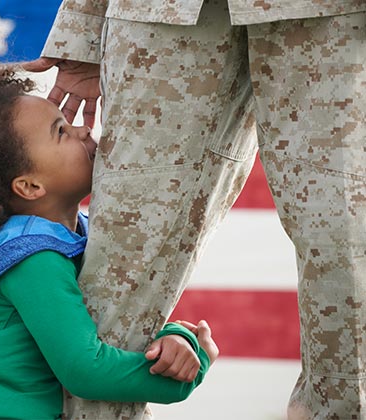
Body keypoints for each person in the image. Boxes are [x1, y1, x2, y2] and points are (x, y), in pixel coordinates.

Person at [23, 0, 366, 418]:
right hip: (162, 14)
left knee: (347, 257)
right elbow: (85, 359)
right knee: (115, 279)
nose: (76, 132)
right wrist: (85, 22)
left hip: (333, 13)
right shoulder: (29, 259)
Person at [0, 51, 219, 420]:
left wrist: (179, 339)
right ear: (30, 185)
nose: (82, 129)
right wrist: (189, 373)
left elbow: (113, 318)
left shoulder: (79, 235)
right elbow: (85, 370)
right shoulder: (32, 258)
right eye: (60, 131)